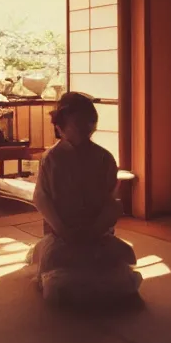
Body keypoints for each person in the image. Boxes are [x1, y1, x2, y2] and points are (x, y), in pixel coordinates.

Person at [27, 92, 141, 303]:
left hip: (97, 234)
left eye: (90, 121)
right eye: (78, 122)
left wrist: (97, 229)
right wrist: (63, 230)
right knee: (57, 285)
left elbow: (110, 202)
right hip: (63, 234)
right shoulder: (51, 158)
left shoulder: (104, 157)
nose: (86, 126)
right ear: (60, 126)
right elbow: (42, 198)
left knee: (122, 265)